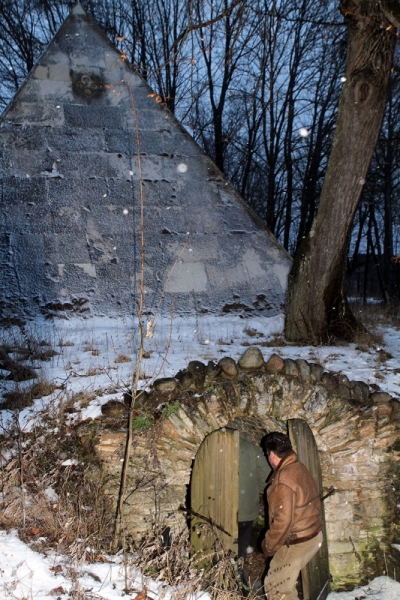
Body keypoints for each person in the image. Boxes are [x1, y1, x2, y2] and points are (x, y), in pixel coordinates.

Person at [261, 432, 323, 600]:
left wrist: (269, 545)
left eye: (267, 454)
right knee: (284, 585)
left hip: (297, 541)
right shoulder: (299, 467)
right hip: (313, 536)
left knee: (276, 588)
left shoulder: (284, 479)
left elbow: (283, 520)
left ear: (272, 454)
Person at [238, 433, 271, 559]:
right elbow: (266, 478)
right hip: (244, 510)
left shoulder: (210, 446)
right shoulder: (251, 449)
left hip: (215, 508)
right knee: (240, 544)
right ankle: (237, 571)